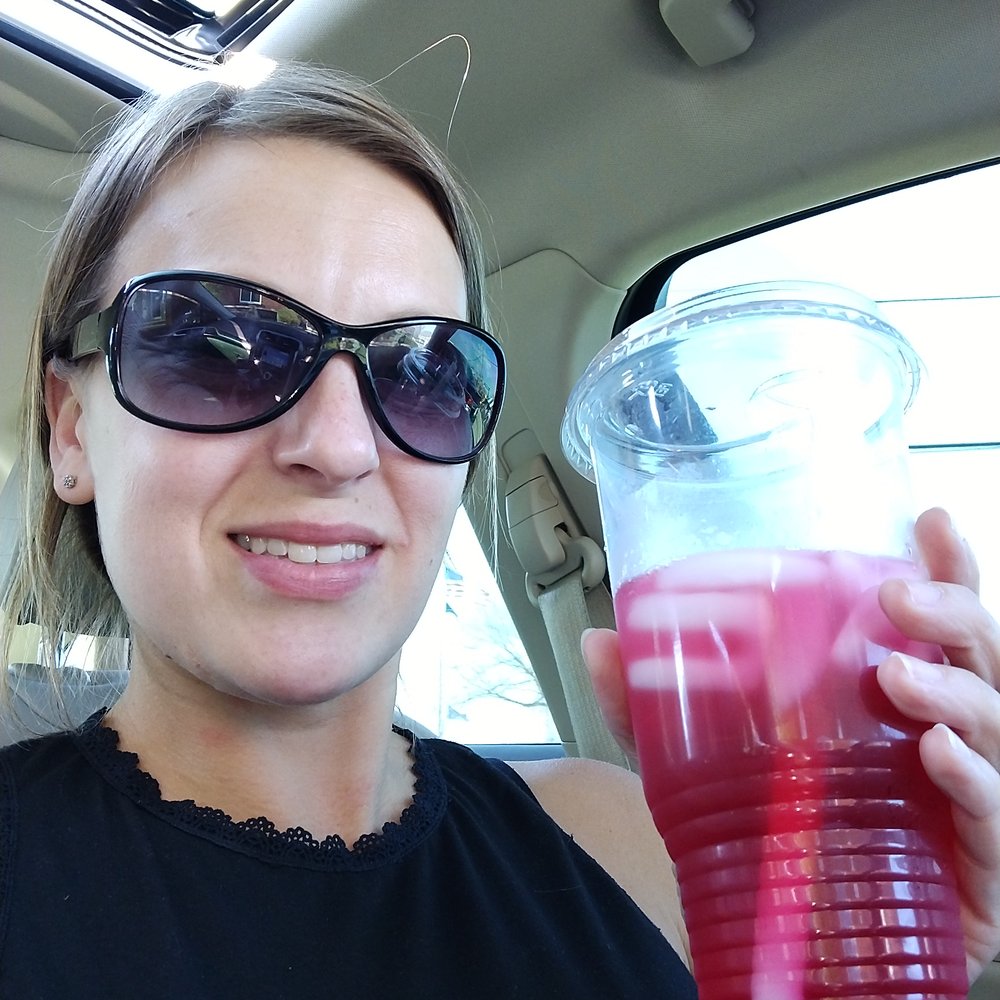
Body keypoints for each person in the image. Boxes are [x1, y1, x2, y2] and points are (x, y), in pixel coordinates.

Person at [0, 61, 997, 997]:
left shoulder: (630, 846)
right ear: (72, 427)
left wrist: (864, 960)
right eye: (217, 351)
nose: (338, 446)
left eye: (422, 372)